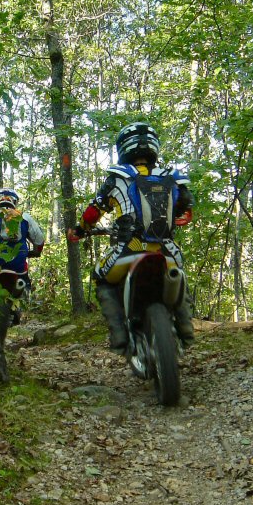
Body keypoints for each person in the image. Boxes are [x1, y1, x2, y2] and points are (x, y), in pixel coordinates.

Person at [67, 122, 195, 353]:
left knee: (100, 277)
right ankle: (186, 327)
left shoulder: (117, 177)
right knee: (179, 273)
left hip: (128, 249)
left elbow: (93, 211)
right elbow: (185, 206)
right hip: (166, 251)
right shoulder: (172, 177)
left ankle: (118, 335)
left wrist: (80, 229)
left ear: (123, 148)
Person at [0, 188, 45, 324]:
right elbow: (39, 240)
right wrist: (36, 252)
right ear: (15, 201)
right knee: (24, 280)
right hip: (17, 265)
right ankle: (20, 299)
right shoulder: (24, 217)